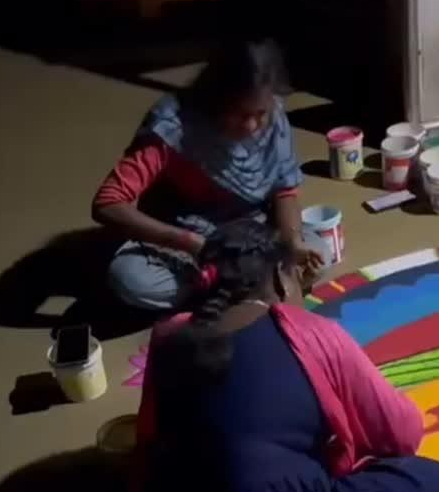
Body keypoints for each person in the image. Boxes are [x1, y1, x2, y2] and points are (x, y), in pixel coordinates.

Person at [124, 221, 439, 492]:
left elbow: (151, 442)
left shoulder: (168, 336)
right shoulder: (310, 332)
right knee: (436, 485)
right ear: (282, 280)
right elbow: (403, 434)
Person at [92, 38, 322, 311]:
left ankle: (232, 285)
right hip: (186, 240)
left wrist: (292, 242)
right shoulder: (174, 125)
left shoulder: (273, 116)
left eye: (260, 114)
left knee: (320, 251)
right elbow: (108, 203)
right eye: (239, 113)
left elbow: (284, 190)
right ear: (215, 96)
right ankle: (249, 285)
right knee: (131, 279)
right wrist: (189, 242)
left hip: (251, 234)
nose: (251, 125)